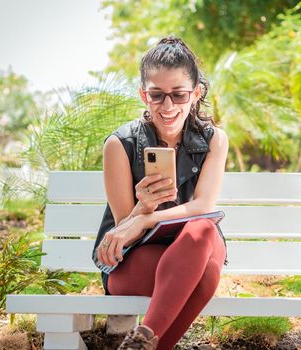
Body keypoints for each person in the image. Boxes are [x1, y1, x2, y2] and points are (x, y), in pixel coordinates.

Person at [93, 36, 229, 350]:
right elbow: (124, 231)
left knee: (203, 229)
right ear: (143, 94)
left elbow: (204, 205)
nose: (168, 107)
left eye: (179, 95)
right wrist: (141, 210)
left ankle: (143, 339)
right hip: (139, 259)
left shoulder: (214, 140)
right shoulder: (120, 145)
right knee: (204, 275)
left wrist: (146, 218)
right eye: (157, 95)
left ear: (194, 94)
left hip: (197, 245)